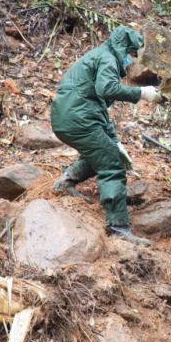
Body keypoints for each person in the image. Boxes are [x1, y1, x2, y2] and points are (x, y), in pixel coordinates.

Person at [50, 26, 160, 245]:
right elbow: (107, 89)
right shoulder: (108, 59)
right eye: (130, 54)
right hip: (78, 119)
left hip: (68, 118)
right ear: (123, 48)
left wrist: (116, 142)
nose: (130, 61)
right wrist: (142, 93)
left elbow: (99, 107)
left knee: (103, 151)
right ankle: (118, 227)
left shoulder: (99, 56)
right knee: (111, 164)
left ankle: (66, 182)